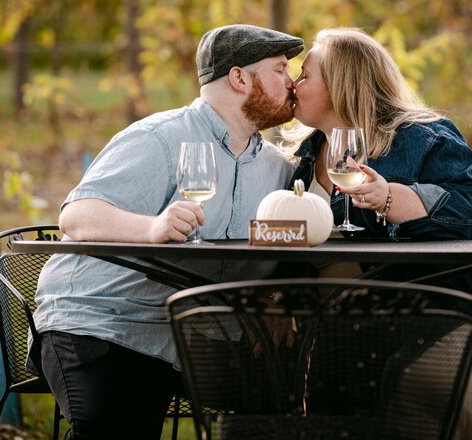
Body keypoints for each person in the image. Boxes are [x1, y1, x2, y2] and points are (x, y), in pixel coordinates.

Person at [283, 27, 472, 439]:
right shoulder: (305, 160)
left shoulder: (418, 134)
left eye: (306, 74)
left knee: (467, 419)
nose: (294, 83)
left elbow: (469, 208)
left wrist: (390, 196)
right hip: (392, 313)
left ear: (342, 84)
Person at [32, 24, 303, 439]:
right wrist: (152, 227)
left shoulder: (277, 169)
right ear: (239, 78)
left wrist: (279, 297)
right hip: (102, 318)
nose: (292, 81)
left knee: (293, 407)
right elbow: (77, 214)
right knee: (112, 428)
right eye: (281, 70)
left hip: (195, 331)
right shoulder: (159, 138)